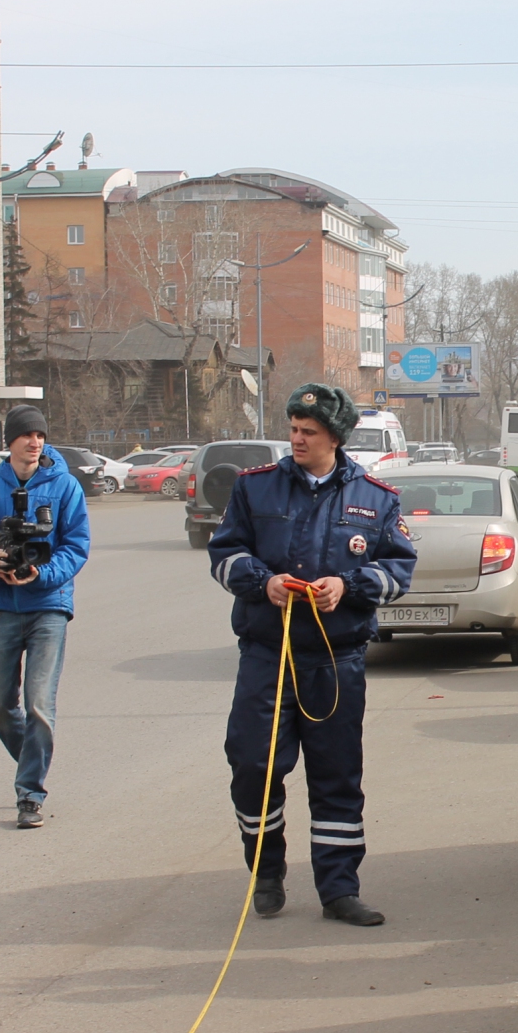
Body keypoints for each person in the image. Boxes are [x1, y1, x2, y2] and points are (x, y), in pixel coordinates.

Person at [209, 384, 416, 926]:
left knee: (337, 775)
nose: (296, 439)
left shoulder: (377, 497)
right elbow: (224, 554)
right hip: (266, 656)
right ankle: (267, 871)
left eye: (309, 432)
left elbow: (399, 572)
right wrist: (263, 581)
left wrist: (348, 587)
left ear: (336, 438)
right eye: (293, 429)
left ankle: (339, 890)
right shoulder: (255, 489)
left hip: (336, 663)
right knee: (253, 767)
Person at [0, 405, 91, 828]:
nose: (34, 442)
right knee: (0, 703)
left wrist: (42, 574)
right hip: (0, 606)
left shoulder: (65, 486)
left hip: (48, 604)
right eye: (26, 435)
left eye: (40, 435)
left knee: (38, 703)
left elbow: (77, 545)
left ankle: (29, 794)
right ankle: (32, 761)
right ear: (10, 441)